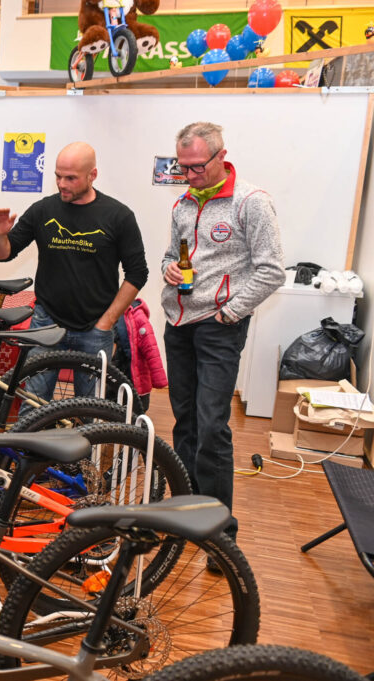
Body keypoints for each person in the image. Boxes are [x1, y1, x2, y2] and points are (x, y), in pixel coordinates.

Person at [161, 122, 284, 545]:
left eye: (197, 166)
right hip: (178, 323)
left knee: (212, 426)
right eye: (183, 167)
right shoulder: (182, 204)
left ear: (221, 156)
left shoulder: (251, 202)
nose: (190, 175)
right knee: (185, 423)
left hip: (218, 328)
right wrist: (168, 268)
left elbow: (272, 270)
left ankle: (218, 534)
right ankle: (186, 511)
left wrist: (229, 313)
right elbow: (169, 254)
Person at [0, 141, 148, 405]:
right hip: (46, 321)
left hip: (96, 326)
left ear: (92, 175)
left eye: (71, 178)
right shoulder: (43, 210)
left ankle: (84, 435)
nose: (62, 184)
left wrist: (107, 321)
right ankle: (34, 435)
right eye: (58, 176)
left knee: (89, 407)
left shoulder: (118, 216)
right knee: (34, 402)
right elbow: (4, 254)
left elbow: (137, 273)